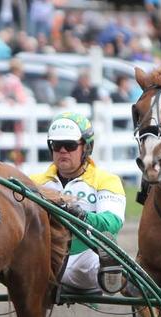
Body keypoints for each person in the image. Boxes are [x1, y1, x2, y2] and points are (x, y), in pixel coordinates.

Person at [31, 112, 126, 291]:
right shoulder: (34, 183)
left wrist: (81, 215)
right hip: (43, 258)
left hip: (84, 258)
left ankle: (112, 273)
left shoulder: (106, 180)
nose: (62, 151)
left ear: (87, 147)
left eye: (70, 145)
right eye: (57, 145)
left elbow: (112, 223)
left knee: (94, 259)